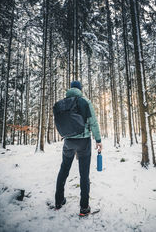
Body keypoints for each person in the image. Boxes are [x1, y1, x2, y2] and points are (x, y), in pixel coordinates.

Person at [55, 80, 102, 216]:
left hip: (68, 141)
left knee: (64, 169)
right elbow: (93, 122)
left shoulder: (64, 103)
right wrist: (98, 140)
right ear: (80, 89)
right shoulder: (84, 101)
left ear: (71, 89)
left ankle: (58, 201)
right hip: (83, 142)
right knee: (84, 174)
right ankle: (84, 207)